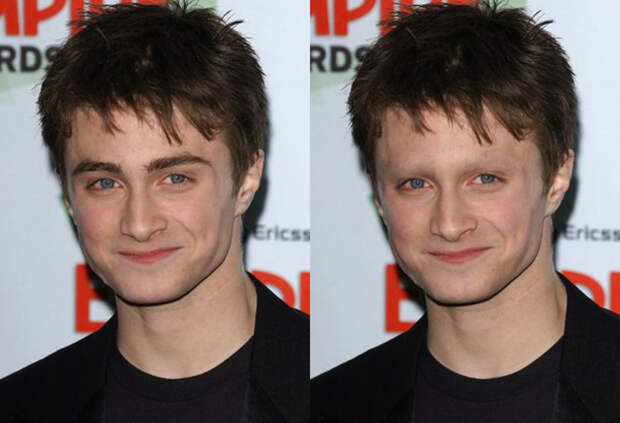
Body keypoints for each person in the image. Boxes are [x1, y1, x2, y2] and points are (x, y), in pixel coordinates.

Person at [0, 2, 308, 422]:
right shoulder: (20, 405)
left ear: (246, 179)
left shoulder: (336, 392)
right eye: (105, 183)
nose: (140, 224)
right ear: (69, 195)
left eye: (175, 178)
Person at [312, 2, 619, 422]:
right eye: (416, 184)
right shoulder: (328, 405)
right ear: (379, 196)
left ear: (556, 179)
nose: (450, 224)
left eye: (485, 179)